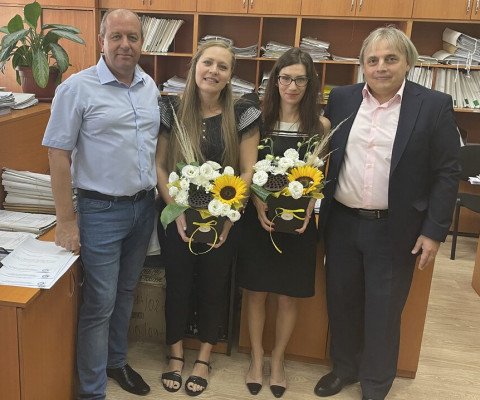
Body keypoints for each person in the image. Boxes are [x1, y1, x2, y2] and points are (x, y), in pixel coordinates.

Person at [314, 26, 461, 400]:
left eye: (390, 59)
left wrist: (434, 230)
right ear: (362, 65)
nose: (381, 67)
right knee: (342, 302)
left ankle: (376, 384)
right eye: (373, 60)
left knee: (383, 311)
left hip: (395, 229)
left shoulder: (433, 104)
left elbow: (447, 172)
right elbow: (324, 152)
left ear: (407, 62)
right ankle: (344, 368)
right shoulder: (342, 98)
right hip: (342, 223)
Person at [42, 9, 160, 399]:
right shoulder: (77, 88)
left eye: (133, 37)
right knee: (100, 302)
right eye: (117, 37)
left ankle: (116, 361)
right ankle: (92, 391)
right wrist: (66, 221)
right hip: (100, 212)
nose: (125, 45)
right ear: (101, 40)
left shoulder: (148, 85)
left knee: (126, 293)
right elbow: (58, 155)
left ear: (142, 42)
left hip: (143, 208)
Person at [155, 40, 261, 396]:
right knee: (178, 284)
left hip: (224, 219)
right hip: (177, 216)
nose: (213, 71)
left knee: (214, 286)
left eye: (223, 66)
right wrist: (175, 211)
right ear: (195, 66)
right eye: (208, 63)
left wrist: (230, 216)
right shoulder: (171, 109)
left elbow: (247, 171)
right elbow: (160, 165)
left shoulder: (243, 113)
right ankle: (174, 353)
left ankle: (203, 357)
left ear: (230, 76)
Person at [236, 48, 331, 398]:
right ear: (275, 81)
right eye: (286, 78)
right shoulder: (257, 120)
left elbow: (317, 178)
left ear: (310, 83)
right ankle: (256, 358)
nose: (292, 86)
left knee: (289, 297)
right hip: (258, 219)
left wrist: (310, 209)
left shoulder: (320, 126)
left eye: (300, 80)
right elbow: (247, 168)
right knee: (256, 292)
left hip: (298, 223)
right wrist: (257, 202)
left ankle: (278, 360)